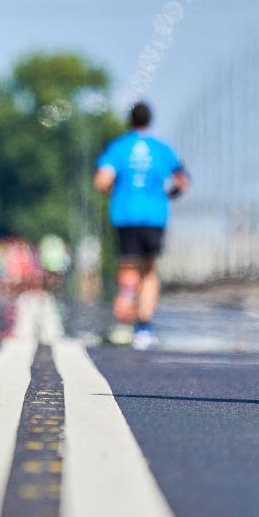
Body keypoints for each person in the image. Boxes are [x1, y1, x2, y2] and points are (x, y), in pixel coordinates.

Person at [94, 102, 189, 352]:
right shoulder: (162, 149)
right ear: (149, 120)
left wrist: (116, 192)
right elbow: (182, 181)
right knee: (149, 269)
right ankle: (144, 327)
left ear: (130, 120)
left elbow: (102, 180)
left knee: (128, 266)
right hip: (155, 216)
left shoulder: (118, 147)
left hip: (126, 214)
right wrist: (168, 196)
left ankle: (125, 307)